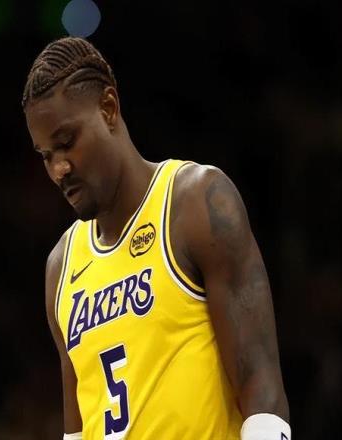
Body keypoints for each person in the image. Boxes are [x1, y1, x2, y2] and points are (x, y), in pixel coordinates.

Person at [22, 37, 290, 440]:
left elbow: (262, 388)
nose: (59, 168)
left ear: (108, 108)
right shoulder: (60, 266)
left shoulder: (195, 203)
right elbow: (76, 432)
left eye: (66, 142)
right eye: (45, 155)